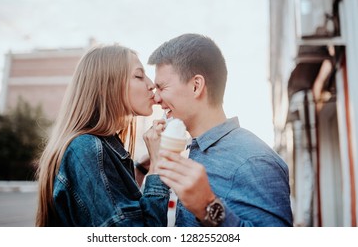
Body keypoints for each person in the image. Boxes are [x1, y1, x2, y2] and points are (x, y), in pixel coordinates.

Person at [147, 33, 293, 227]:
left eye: (162, 87)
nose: (156, 99)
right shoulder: (193, 150)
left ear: (196, 86)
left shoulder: (254, 160)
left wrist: (207, 207)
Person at [35, 44, 170, 227]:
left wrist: (141, 172)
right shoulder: (87, 148)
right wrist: (157, 166)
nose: (151, 84)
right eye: (139, 76)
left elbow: (117, 206)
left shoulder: (102, 145)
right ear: (107, 86)